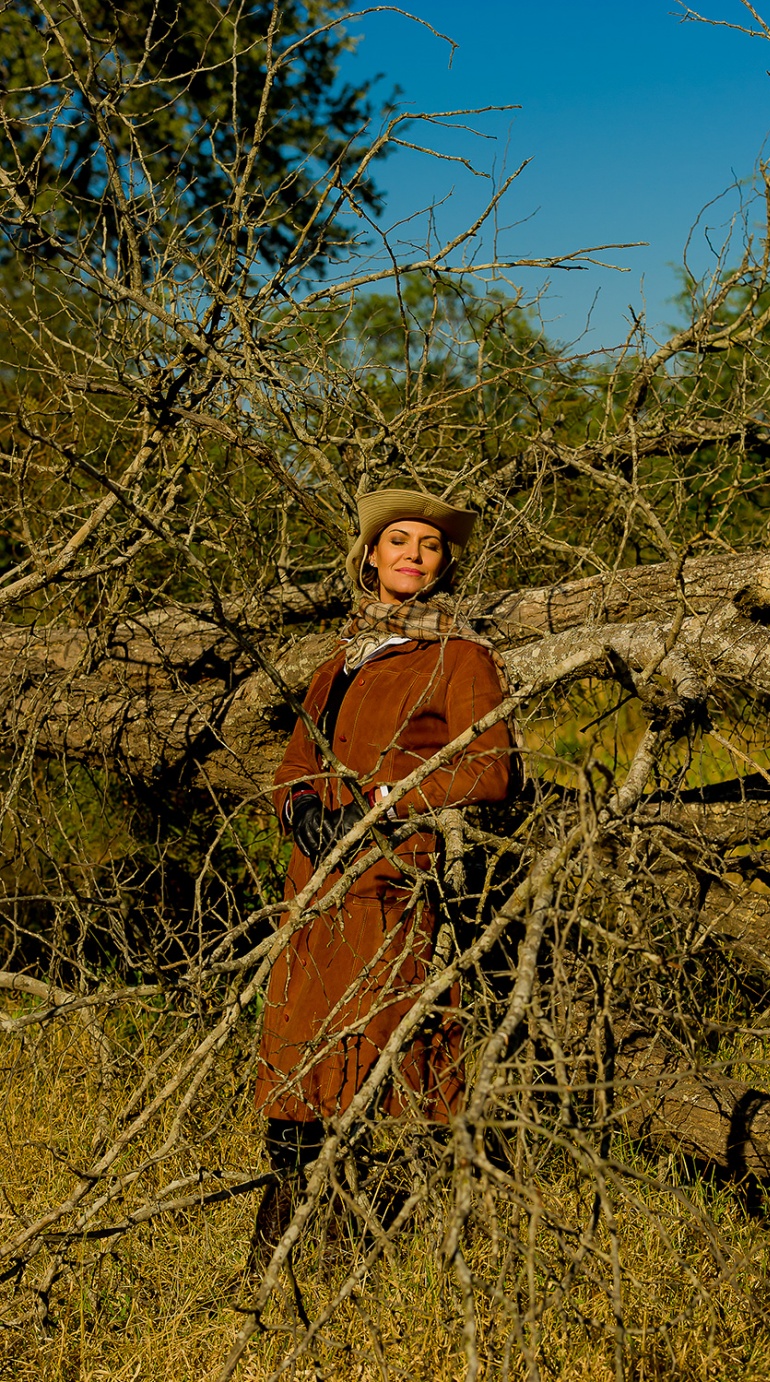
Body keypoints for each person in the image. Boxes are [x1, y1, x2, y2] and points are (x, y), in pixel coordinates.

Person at [249, 487, 514, 1263]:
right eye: (397, 540)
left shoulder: (460, 654)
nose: (412, 555)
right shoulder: (341, 657)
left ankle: (374, 1257)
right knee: (299, 1071)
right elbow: (293, 763)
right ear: (369, 555)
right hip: (316, 885)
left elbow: (493, 771)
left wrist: (389, 800)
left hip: (396, 883)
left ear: (443, 564)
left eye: (428, 546)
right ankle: (278, 1264)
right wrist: (299, 807)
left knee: (390, 1067)